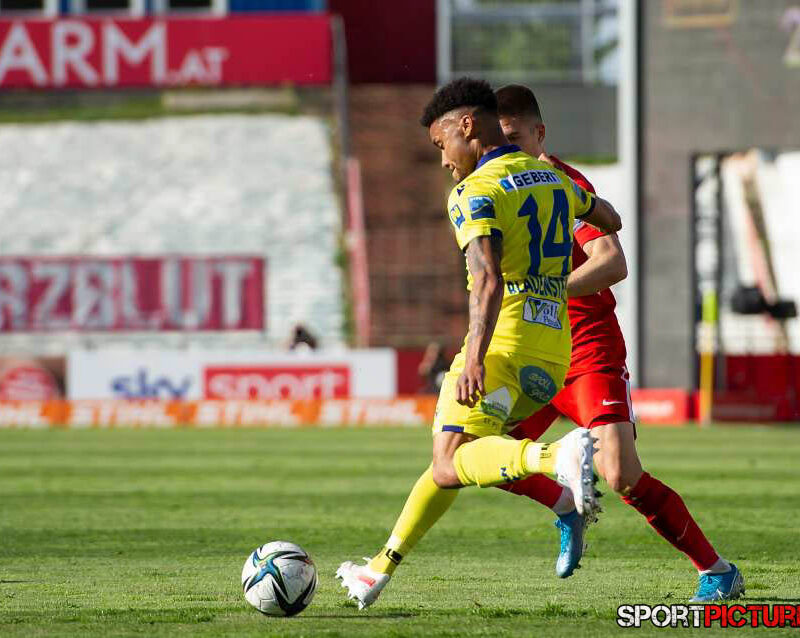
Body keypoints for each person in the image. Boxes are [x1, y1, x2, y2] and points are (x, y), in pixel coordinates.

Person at [335, 77, 622, 609]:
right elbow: (610, 218)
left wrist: (472, 360)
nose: (444, 160)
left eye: (441, 144)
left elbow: (487, 279)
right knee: (453, 457)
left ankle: (557, 456)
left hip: (501, 348)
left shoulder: (474, 192)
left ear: (466, 126)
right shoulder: (554, 178)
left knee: (451, 462)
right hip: (552, 352)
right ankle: (378, 569)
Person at [492, 84, 743, 602]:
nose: (507, 150)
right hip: (532, 351)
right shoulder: (493, 188)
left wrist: (550, 289)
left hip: (586, 352)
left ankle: (716, 570)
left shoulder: (563, 184)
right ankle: (566, 505)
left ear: (540, 134)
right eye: (500, 141)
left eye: (515, 138)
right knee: (478, 450)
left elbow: (612, 262)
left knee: (621, 475)